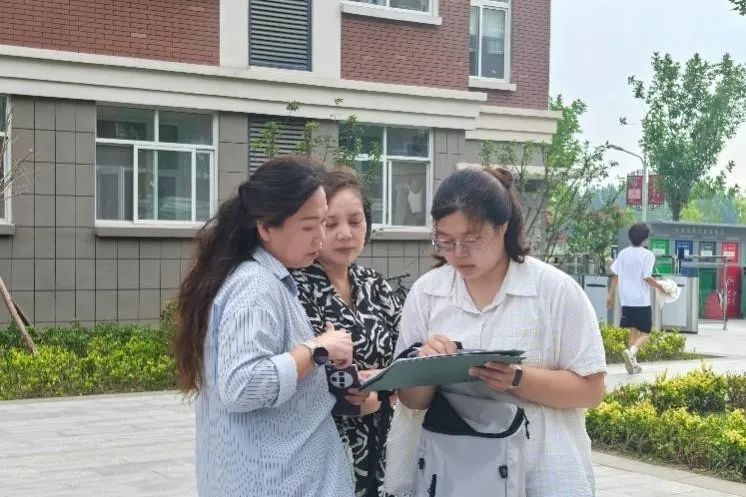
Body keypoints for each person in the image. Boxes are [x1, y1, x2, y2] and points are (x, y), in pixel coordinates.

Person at [392, 166, 607, 497]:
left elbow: (591, 391)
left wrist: (517, 378)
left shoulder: (554, 290)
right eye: (446, 241)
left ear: (503, 227)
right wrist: (425, 368)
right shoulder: (427, 293)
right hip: (453, 474)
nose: (458, 254)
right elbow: (410, 400)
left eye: (472, 240)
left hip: (543, 473)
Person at [173, 156, 356, 497]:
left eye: (323, 222)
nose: (320, 237)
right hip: (275, 481)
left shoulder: (265, 278)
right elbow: (242, 385)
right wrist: (318, 349)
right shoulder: (256, 285)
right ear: (266, 227)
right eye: (308, 226)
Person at [292, 167, 402, 497]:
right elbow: (297, 371)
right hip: (324, 444)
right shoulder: (295, 287)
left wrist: (383, 388)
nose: (345, 234)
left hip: (385, 438)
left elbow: (406, 355)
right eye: (331, 224)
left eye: (355, 222)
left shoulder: (375, 284)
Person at [606, 222, 667, 374]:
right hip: (641, 300)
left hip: (626, 299)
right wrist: (659, 286)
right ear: (645, 239)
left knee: (634, 329)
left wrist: (610, 295)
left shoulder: (623, 253)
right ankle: (631, 352)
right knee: (646, 332)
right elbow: (646, 277)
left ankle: (632, 364)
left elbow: (615, 275)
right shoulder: (648, 255)